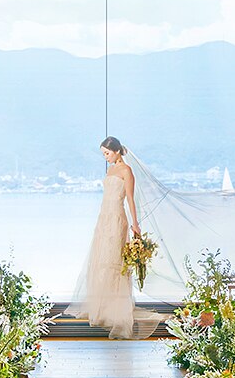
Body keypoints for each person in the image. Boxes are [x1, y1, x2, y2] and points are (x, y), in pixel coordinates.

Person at [65, 136, 164, 340]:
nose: (105, 157)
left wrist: (135, 224)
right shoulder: (110, 170)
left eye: (107, 153)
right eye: (103, 154)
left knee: (114, 262)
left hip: (118, 218)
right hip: (104, 218)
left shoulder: (127, 171)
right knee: (101, 260)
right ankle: (102, 306)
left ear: (117, 151)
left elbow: (130, 199)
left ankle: (115, 309)